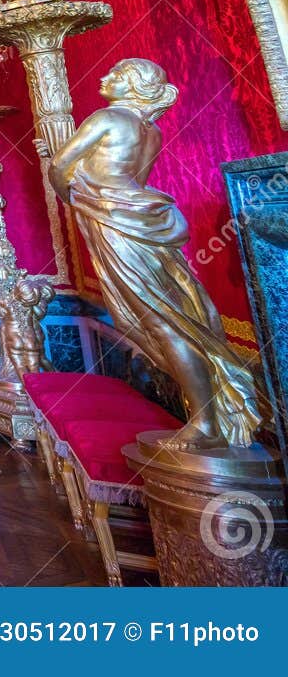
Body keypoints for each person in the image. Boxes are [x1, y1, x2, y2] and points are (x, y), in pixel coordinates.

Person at [49, 58, 265, 450]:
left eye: (115, 74)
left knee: (160, 320)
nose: (103, 76)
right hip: (146, 216)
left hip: (115, 220)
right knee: (172, 313)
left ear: (134, 86)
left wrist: (79, 199)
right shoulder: (152, 131)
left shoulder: (107, 118)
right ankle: (207, 417)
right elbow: (137, 179)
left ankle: (204, 424)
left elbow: (60, 166)